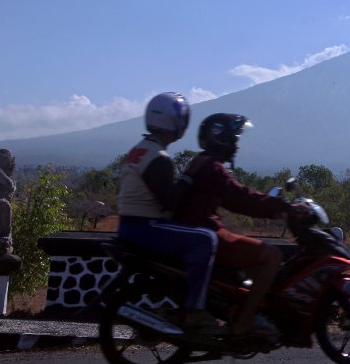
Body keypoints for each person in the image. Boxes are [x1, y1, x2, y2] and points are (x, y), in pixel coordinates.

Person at [172, 113, 292, 338]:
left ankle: (238, 308)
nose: (237, 145)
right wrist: (280, 206)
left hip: (197, 230)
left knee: (252, 257)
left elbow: (235, 199)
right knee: (272, 256)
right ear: (222, 139)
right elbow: (239, 198)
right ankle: (244, 321)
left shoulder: (202, 163)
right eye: (234, 139)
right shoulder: (213, 168)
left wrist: (271, 207)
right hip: (206, 231)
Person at [116, 92, 225, 335]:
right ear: (176, 122)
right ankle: (195, 309)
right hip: (145, 227)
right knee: (206, 239)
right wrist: (189, 175)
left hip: (128, 226)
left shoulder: (138, 151)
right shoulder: (159, 158)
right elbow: (170, 203)